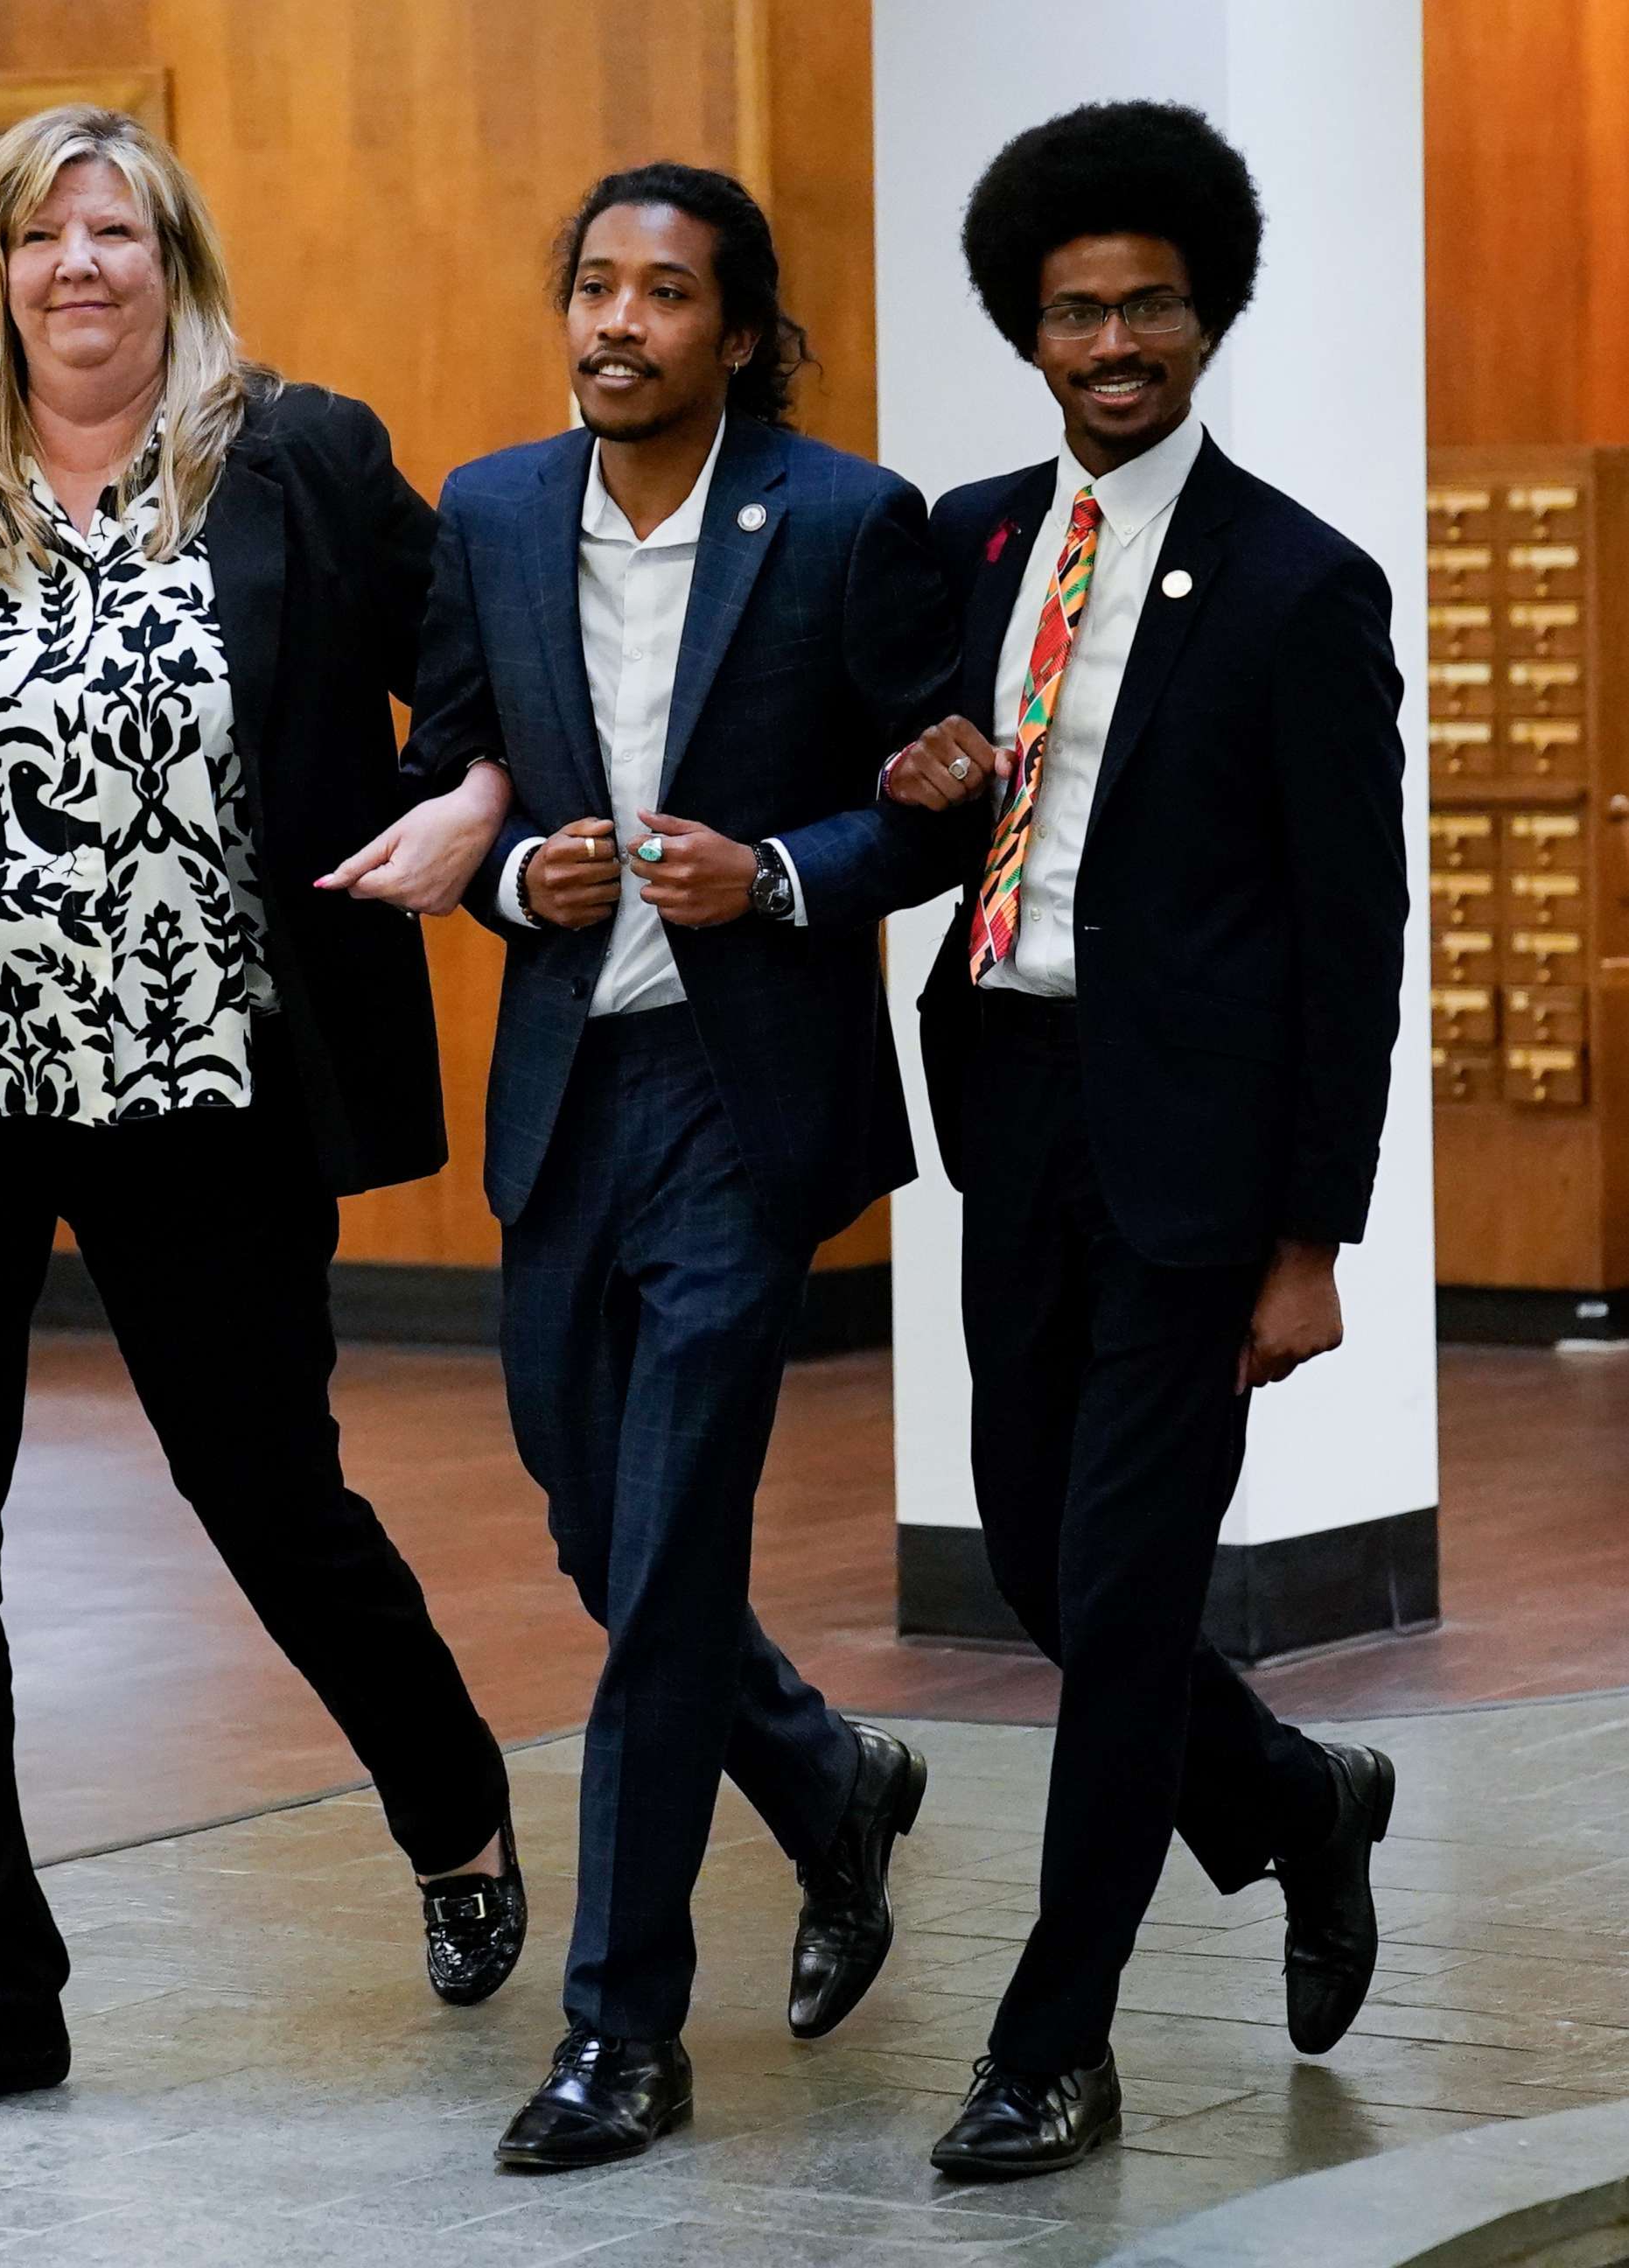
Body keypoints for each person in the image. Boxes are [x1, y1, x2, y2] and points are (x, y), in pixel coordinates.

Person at [0, 103, 528, 2124]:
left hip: (203, 1081)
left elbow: (483, 650)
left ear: (170, 256)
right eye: (40, 233)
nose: (79, 265)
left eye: (116, 229)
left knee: (268, 1503)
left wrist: (466, 794)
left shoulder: (299, 458)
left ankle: (450, 1811)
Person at [338, 161, 987, 2170]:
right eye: (595, 288)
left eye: (664, 294)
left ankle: (621, 2032)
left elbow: (945, 798)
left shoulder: (847, 522)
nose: (618, 323)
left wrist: (786, 870)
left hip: (741, 1098)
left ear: (735, 327)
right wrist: (512, 876)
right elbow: (450, 766)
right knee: (583, 1512)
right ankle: (823, 1782)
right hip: (568, 1088)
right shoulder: (495, 509)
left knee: (673, 1541)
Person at [888, 102, 1407, 2180]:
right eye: (1073, 312)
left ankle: (1052, 2041)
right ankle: (1292, 1802)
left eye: (1147, 307)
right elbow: (928, 808)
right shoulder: (972, 540)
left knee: (1115, 1594)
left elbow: (1348, 933)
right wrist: (926, 784)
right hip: (1007, 1107)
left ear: (1205, 316)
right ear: (1027, 331)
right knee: (1035, 1554)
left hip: (1193, 1164)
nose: (1111, 343)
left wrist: (1313, 1235)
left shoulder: (1298, 583)